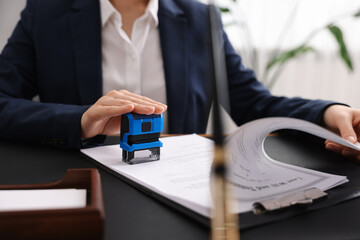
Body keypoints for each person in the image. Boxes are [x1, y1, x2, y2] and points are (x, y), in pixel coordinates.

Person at [0, 0, 359, 161]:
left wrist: (328, 113)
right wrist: (79, 120)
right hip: (89, 183)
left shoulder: (202, 18)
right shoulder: (45, 13)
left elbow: (256, 104)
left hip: (179, 192)